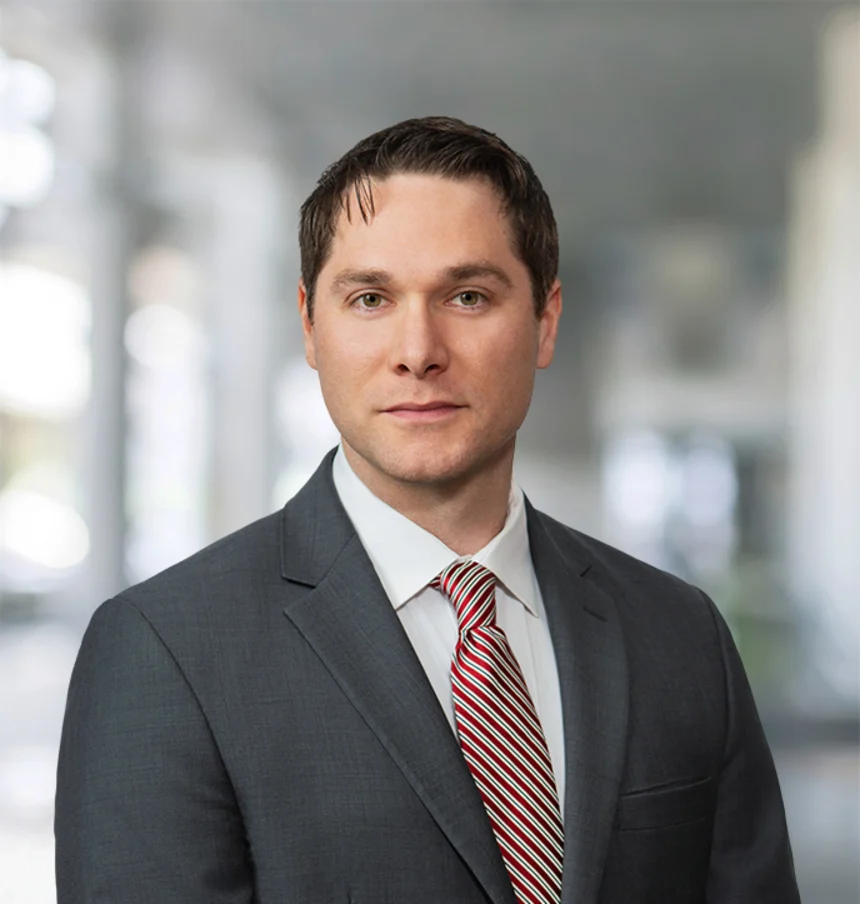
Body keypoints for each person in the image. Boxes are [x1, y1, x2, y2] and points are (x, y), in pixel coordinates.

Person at [55, 116, 800, 904]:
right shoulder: (163, 652)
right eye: (371, 298)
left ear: (545, 321)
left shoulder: (679, 636)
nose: (418, 351)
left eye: (468, 296)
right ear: (310, 326)